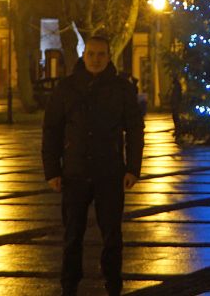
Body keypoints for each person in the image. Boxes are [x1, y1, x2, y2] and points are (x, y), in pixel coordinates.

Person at [42, 33, 144, 296]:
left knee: (112, 234)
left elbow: (134, 129)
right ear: (83, 55)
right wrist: (52, 170)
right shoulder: (67, 88)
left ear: (109, 57)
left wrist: (133, 167)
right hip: (75, 172)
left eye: (101, 54)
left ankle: (113, 283)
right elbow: (52, 130)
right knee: (72, 235)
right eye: (91, 54)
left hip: (109, 171)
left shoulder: (121, 88)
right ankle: (69, 285)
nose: (96, 59)